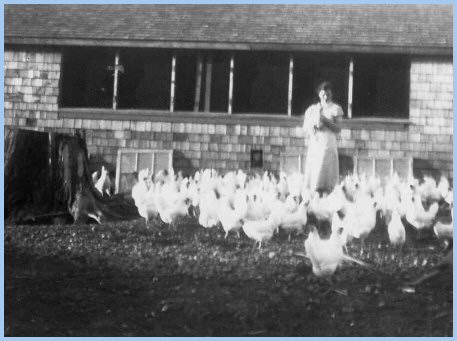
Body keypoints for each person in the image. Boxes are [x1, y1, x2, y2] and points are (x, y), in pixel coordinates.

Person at [302, 81, 343, 194]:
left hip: (328, 143)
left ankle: (329, 193)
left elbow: (338, 129)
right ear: (319, 95)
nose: (326, 97)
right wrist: (314, 126)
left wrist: (325, 121)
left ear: (331, 94)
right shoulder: (312, 109)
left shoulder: (335, 108)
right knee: (316, 169)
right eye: (323, 94)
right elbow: (306, 128)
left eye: (328, 94)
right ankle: (315, 194)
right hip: (316, 144)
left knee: (327, 170)